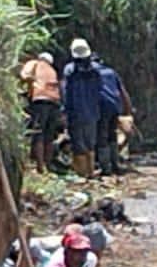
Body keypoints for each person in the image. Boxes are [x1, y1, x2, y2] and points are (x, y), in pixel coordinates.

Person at [61, 38, 103, 178]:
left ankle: (82, 174)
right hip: (92, 112)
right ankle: (90, 172)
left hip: (76, 113)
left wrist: (64, 111)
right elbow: (99, 91)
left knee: (78, 143)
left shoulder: (70, 70)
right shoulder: (96, 70)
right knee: (90, 143)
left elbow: (66, 92)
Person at [19, 52, 61, 174]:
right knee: (49, 134)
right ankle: (48, 165)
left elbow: (24, 76)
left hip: (40, 100)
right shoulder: (52, 70)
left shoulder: (34, 63)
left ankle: (40, 166)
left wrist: (30, 85)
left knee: (38, 132)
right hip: (54, 102)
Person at [96, 57, 135, 177]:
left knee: (102, 135)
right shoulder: (111, 72)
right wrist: (128, 110)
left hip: (101, 106)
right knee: (112, 135)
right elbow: (123, 92)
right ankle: (115, 164)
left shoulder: (91, 72)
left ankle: (105, 167)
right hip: (114, 106)